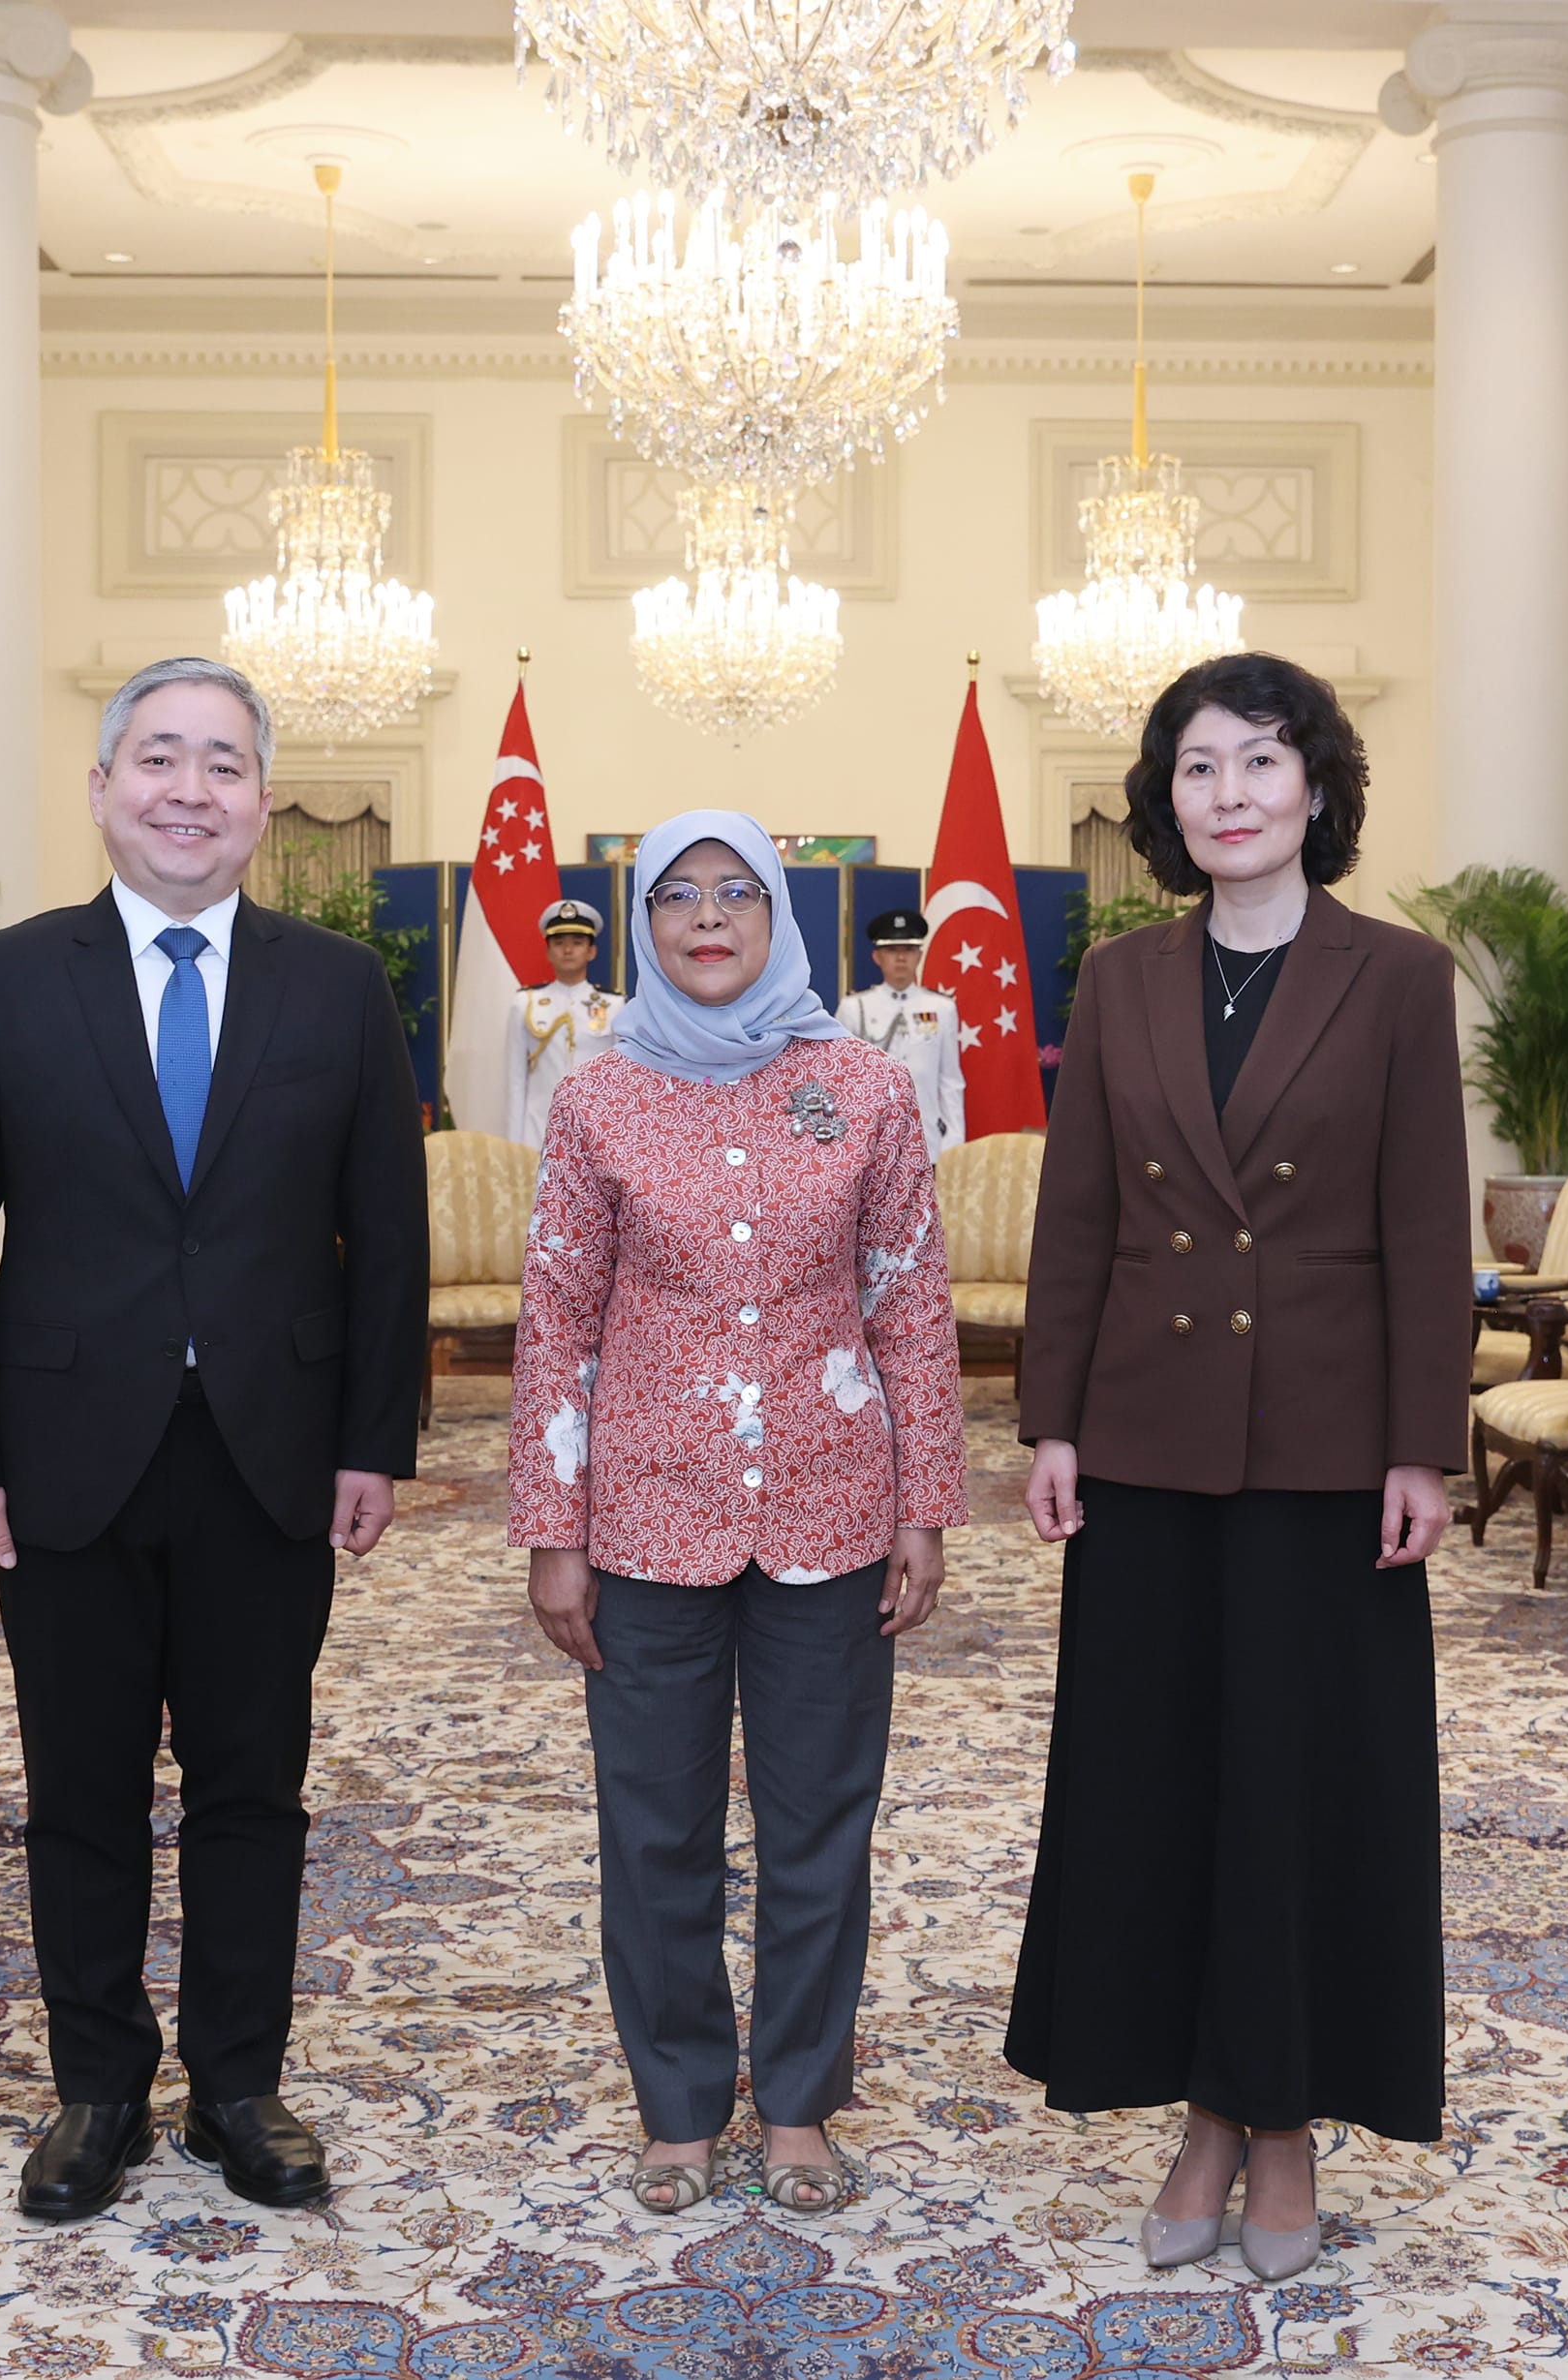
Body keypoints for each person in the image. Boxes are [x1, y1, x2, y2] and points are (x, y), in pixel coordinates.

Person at [0, 656, 428, 2224]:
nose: (188, 789)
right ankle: (98, 2088)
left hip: (271, 1450)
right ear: (101, 787)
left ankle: (239, 2083)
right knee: (79, 1784)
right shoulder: (2, 981)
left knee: (253, 1782)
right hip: (61, 1452)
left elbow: (386, 1238)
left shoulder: (337, 986)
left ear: (264, 802)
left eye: (222, 763)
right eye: (158, 758)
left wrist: (373, 1438)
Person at [1002, 652, 1468, 2284]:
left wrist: (1424, 1443)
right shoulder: (1120, 978)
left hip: (1325, 1453)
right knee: (1161, 1790)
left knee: (1297, 1795)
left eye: (1263, 760)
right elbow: (1078, 1215)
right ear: (1166, 802)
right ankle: (1200, 2107)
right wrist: (1052, 1418)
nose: (1232, 793)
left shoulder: (1395, 975)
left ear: (1317, 787)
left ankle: (1279, 2125)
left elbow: (1426, 1224)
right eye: (1199, 767)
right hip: (1146, 1444)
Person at [508, 810, 968, 2220]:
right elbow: (556, 1318)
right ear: (642, 924)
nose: (707, 917)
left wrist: (926, 1503)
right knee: (655, 1826)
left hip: (835, 1506)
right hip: (647, 1511)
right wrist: (553, 1529)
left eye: (735, 893)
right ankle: (679, 2105)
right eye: (676, 896)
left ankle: (801, 2101)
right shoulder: (597, 1096)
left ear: (779, 914)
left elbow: (910, 1301)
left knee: (820, 1821)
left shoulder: (864, 1087)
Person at [836, 907, 967, 1160]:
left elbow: (950, 1080)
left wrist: (953, 1141)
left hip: (927, 1138)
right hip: (871, 1138)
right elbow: (842, 1080)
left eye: (908, 950)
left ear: (919, 955)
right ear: (877, 957)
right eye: (891, 950)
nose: (900, 958)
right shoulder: (855, 1007)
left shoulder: (942, 1008)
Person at [507, 896, 620, 1147]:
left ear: (591, 951)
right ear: (548, 952)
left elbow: (621, 1081)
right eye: (559, 943)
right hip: (539, 1133)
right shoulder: (525, 1003)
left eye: (577, 943)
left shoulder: (614, 1006)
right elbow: (515, 1081)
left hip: (596, 1133)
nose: (568, 950)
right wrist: (514, 1147)